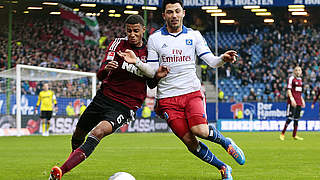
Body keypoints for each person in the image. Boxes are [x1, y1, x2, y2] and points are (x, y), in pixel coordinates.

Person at [119, 0, 245, 179]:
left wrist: (222, 58)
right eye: (170, 12)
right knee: (190, 143)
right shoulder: (155, 39)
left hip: (191, 92)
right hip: (167, 99)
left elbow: (211, 61)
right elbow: (153, 70)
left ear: (183, 13)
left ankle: (226, 143)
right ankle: (223, 167)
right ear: (164, 15)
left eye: (177, 11)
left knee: (200, 130)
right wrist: (138, 63)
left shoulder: (194, 36)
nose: (174, 15)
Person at [48, 15, 169, 180]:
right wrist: (106, 69)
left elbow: (152, 85)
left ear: (143, 30)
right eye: (129, 31)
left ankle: (60, 171)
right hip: (104, 97)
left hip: (126, 105)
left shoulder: (149, 51)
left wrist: (157, 77)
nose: (132, 34)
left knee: (98, 132)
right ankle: (72, 160)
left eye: (135, 31)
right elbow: (100, 74)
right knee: (78, 133)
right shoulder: (118, 43)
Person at [280, 66, 305, 141]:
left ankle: (294, 135)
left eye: (299, 70)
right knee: (290, 118)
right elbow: (289, 90)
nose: (298, 71)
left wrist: (302, 100)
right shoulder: (291, 79)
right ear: (294, 71)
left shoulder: (300, 80)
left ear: (301, 72)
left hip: (299, 101)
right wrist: (292, 99)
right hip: (292, 102)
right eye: (296, 70)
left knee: (296, 119)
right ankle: (282, 133)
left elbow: (299, 92)